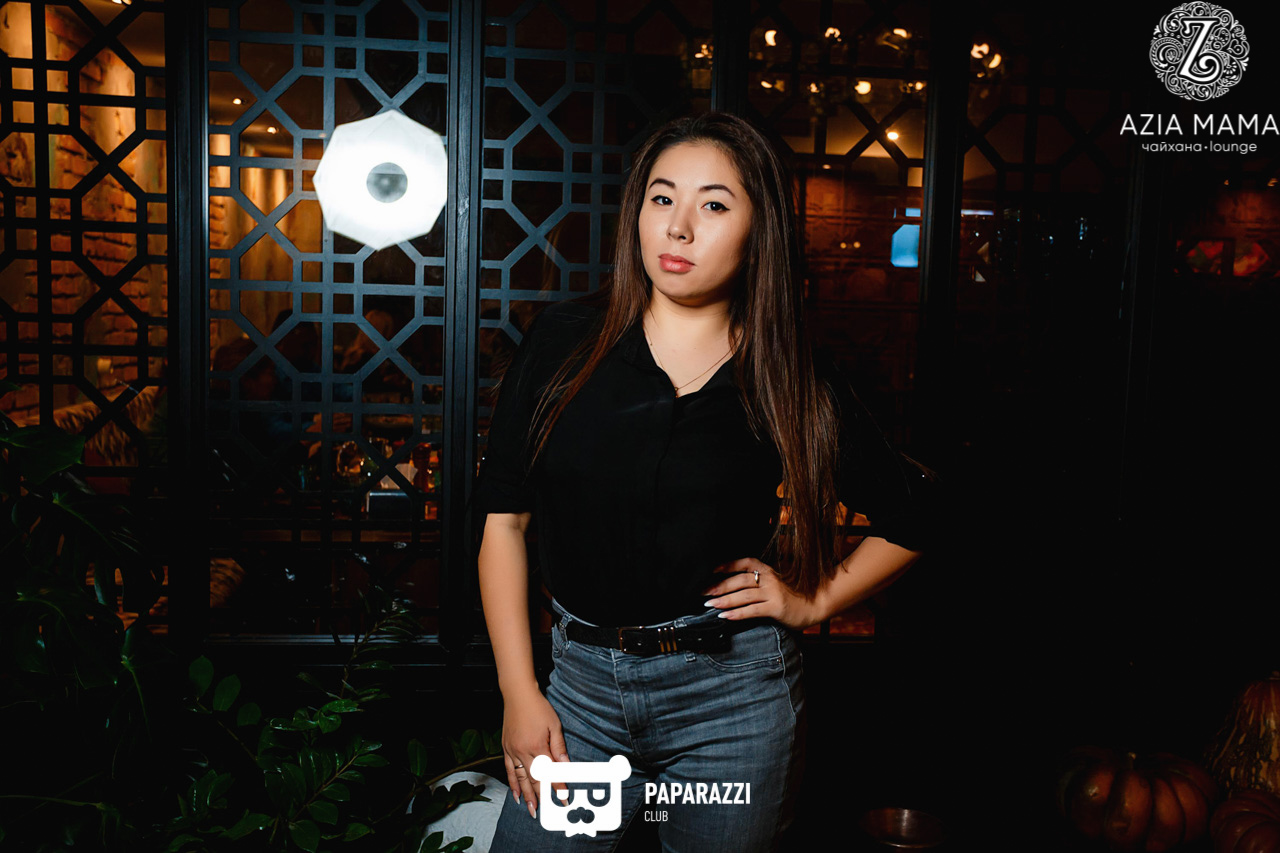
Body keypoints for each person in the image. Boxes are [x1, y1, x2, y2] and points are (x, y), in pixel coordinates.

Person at [473, 112, 941, 852]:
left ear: (760, 232)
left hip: (730, 705)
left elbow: (916, 514)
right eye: (662, 198)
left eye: (714, 205)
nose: (678, 227)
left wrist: (813, 599)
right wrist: (518, 692)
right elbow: (504, 521)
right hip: (580, 698)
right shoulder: (564, 342)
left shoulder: (788, 375)